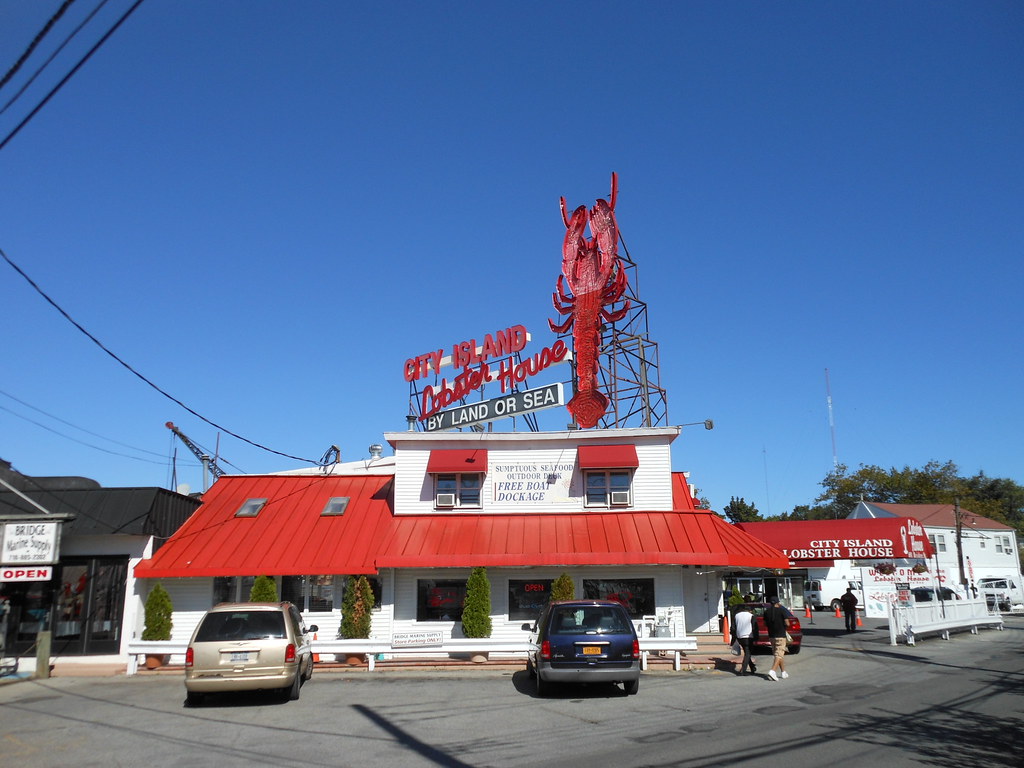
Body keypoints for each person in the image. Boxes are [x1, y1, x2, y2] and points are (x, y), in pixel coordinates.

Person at [762, 596, 789, 681]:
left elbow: (765, 623)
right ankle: (772, 671)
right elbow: (787, 623)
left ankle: (783, 672)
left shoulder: (766, 612)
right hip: (781, 635)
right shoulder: (782, 610)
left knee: (777, 654)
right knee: (779, 654)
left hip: (771, 636)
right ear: (778, 603)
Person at [731, 604, 758, 675]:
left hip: (740, 637)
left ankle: (752, 667)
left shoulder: (736, 616)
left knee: (747, 653)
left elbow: (733, 628)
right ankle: (743, 670)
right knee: (748, 653)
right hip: (749, 636)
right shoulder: (751, 616)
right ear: (750, 610)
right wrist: (756, 637)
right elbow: (754, 627)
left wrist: (733, 638)